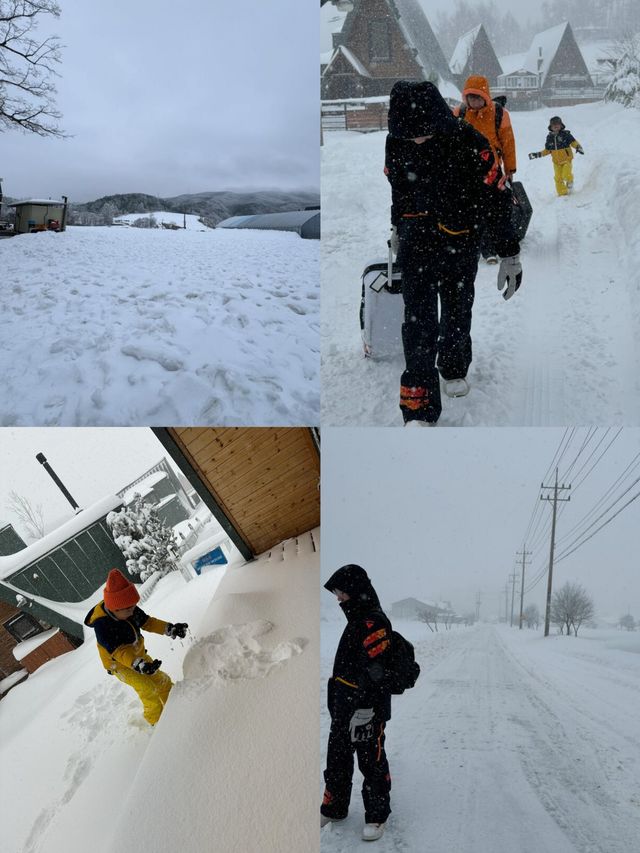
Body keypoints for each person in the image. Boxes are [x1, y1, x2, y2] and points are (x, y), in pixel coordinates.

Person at [385, 80, 522, 426]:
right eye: (408, 134)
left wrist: (509, 252)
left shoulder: (469, 143)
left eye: (423, 133)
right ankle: (418, 409)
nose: (415, 140)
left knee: (457, 310)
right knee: (417, 322)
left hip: (458, 241)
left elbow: (497, 200)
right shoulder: (396, 141)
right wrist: (396, 227)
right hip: (416, 243)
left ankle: (453, 366)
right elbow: (399, 189)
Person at [321, 564, 393, 842]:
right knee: (337, 757)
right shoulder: (357, 618)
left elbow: (377, 673)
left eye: (341, 593)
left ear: (356, 591)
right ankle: (334, 807)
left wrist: (366, 709)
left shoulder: (373, 622)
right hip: (344, 705)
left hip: (366, 709)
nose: (338, 599)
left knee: (370, 760)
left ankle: (376, 814)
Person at [84, 568, 188, 726]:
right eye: (129, 609)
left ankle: (177, 708)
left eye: (134, 607)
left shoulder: (128, 607)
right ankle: (158, 723)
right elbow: (120, 652)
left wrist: (169, 628)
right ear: (114, 608)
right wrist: (138, 664)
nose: (133, 611)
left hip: (138, 655)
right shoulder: (103, 625)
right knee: (148, 690)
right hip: (121, 664)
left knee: (163, 681)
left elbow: (148, 622)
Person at [453, 75, 518, 264]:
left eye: (478, 97)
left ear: (486, 96)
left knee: (495, 210)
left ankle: (495, 245)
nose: (474, 101)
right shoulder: (459, 113)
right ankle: (481, 247)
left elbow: (508, 142)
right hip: (466, 173)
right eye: (470, 97)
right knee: (473, 211)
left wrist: (510, 169)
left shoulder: (499, 113)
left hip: (493, 171)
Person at [528, 116, 584, 196]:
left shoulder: (566, 135)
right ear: (550, 127)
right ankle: (562, 193)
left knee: (566, 174)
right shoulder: (549, 137)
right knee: (558, 178)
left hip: (566, 160)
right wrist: (537, 154)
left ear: (561, 125)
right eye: (553, 125)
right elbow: (547, 150)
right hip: (556, 163)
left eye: (557, 124)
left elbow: (573, 142)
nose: (555, 126)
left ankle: (570, 182)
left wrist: (578, 147)